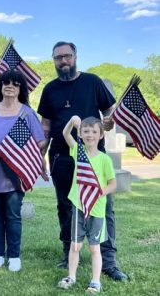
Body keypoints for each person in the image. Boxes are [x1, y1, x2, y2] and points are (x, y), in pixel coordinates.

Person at [37, 41, 128, 281]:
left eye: (67, 56)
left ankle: (108, 262)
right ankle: (69, 254)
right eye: (58, 58)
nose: (63, 61)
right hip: (61, 157)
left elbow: (109, 113)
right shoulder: (50, 89)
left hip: (94, 158)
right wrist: (41, 156)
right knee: (66, 207)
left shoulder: (93, 82)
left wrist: (108, 123)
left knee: (103, 208)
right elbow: (46, 126)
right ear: (53, 60)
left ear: (76, 56)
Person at [0, 69, 46, 272]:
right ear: (0, 86)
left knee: (12, 216)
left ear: (21, 88)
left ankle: (14, 256)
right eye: (5, 82)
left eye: (15, 83)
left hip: (15, 176)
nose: (9, 86)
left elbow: (39, 143)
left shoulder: (27, 114)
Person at [58, 116, 116, 293]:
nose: (89, 134)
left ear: (100, 135)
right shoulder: (78, 151)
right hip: (79, 205)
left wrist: (100, 192)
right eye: (85, 131)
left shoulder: (105, 159)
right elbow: (65, 133)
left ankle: (95, 281)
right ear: (81, 134)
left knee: (94, 247)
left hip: (96, 209)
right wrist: (71, 122)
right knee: (75, 245)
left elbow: (113, 184)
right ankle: (71, 276)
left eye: (94, 131)